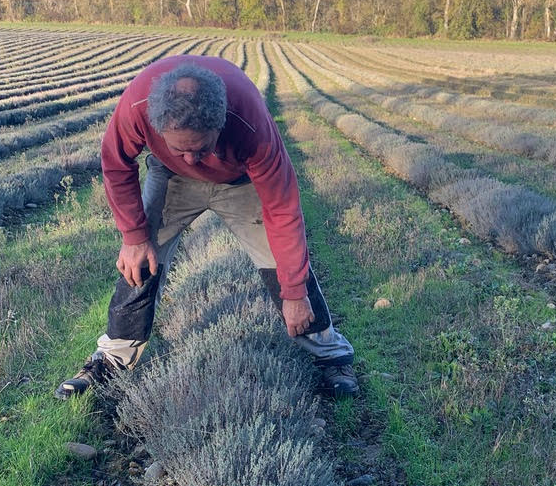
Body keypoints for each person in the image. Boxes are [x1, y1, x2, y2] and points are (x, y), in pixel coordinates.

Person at [55, 55, 358, 399]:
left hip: (239, 182)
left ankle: (331, 354)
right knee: (139, 262)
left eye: (200, 149)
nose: (191, 159)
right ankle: (112, 360)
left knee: (283, 266)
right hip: (170, 179)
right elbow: (115, 163)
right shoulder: (138, 105)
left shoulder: (249, 120)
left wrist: (294, 294)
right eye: (179, 148)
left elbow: (283, 209)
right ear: (157, 126)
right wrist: (134, 237)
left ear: (220, 124)